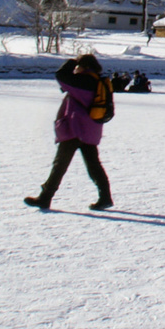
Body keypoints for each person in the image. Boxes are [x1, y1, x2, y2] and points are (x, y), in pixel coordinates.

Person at [25, 54, 113, 211]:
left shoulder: (83, 81)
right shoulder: (96, 81)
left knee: (60, 164)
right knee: (93, 165)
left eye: (78, 66)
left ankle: (45, 198)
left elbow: (60, 75)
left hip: (75, 129)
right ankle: (105, 197)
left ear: (84, 66)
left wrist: (72, 61)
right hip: (89, 130)